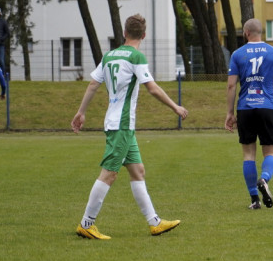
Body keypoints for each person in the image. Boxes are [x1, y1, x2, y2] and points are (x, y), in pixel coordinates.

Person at [71, 14, 187, 239]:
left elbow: (94, 84)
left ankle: (155, 222)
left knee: (138, 170)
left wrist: (81, 112)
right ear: (143, 35)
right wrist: (175, 107)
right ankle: (86, 224)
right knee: (109, 174)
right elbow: (152, 88)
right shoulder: (136, 56)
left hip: (118, 123)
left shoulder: (109, 56)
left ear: (124, 33)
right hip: (121, 124)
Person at [225, 18, 273, 210]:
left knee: (248, 155)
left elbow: (231, 85)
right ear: (261, 33)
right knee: (270, 152)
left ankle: (255, 200)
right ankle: (265, 179)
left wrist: (229, 113)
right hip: (267, 107)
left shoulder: (237, 54)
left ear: (246, 33)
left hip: (245, 108)